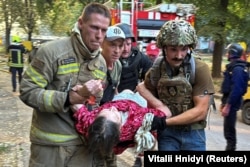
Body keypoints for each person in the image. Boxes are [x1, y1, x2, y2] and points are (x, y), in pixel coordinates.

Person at [19, 2, 112, 167]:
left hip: (83, 149)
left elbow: (93, 104)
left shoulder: (101, 64)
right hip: (49, 148)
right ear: (81, 23)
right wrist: (68, 98)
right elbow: (27, 91)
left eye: (104, 30)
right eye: (94, 27)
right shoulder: (51, 52)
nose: (99, 35)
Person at [136, 20, 215, 151]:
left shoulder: (200, 69)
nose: (179, 55)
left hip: (193, 133)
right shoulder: (155, 71)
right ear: (164, 48)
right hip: (167, 135)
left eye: (184, 49)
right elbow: (147, 97)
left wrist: (165, 122)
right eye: (173, 49)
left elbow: (201, 112)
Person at [71, 89, 171, 157]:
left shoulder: (90, 124)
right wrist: (143, 90)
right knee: (132, 91)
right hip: (138, 102)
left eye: (107, 110)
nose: (113, 108)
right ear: (119, 128)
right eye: (115, 114)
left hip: (120, 98)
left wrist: (79, 91)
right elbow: (167, 112)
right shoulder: (138, 120)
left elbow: (75, 104)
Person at [220, 43, 248, 151]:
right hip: (229, 101)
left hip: (232, 102)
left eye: (228, 52)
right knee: (228, 129)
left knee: (229, 130)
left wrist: (228, 105)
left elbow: (236, 89)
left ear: (233, 53)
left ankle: (231, 149)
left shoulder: (238, 69)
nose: (227, 54)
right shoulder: (234, 67)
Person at [115, 23, 153, 92]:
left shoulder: (142, 59)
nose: (125, 49)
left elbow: (152, 82)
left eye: (128, 44)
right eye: (122, 45)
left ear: (132, 43)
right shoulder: (110, 60)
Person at [100, 25, 125, 105]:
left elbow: (115, 90)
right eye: (112, 45)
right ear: (102, 44)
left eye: (120, 46)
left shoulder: (118, 65)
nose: (117, 51)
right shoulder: (95, 63)